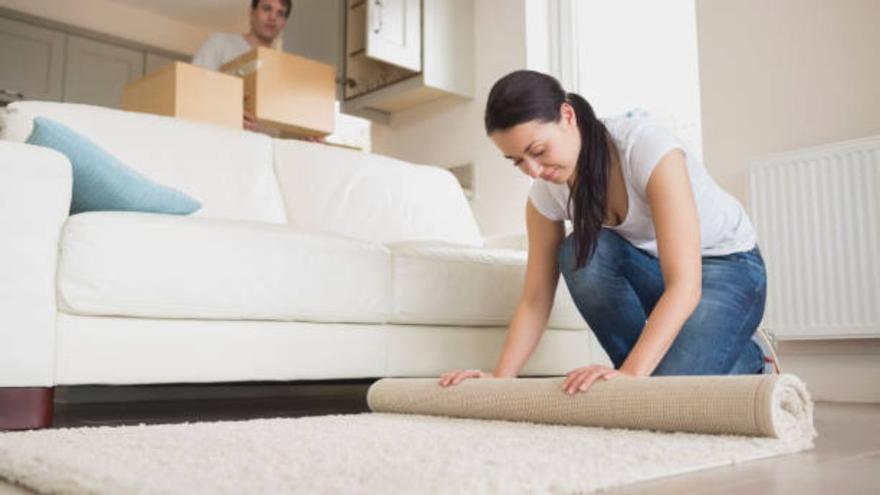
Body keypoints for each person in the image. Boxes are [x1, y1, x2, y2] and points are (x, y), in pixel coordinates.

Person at [439, 70, 777, 395]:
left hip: (729, 270)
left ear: (567, 115)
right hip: (657, 272)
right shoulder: (546, 196)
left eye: (538, 151)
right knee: (579, 253)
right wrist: (500, 378)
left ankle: (752, 360)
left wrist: (631, 374)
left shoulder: (646, 147)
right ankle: (651, 375)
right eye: (517, 162)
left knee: (663, 393)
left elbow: (685, 285)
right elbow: (535, 299)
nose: (534, 171)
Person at [192, 0, 291, 131]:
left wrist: (306, 136)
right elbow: (191, 92)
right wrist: (228, 114)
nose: (273, 17)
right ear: (252, 12)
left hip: (262, 148)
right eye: (267, 8)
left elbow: (285, 124)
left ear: (284, 23)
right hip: (219, 142)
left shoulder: (284, 71)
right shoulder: (219, 44)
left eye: (280, 13)